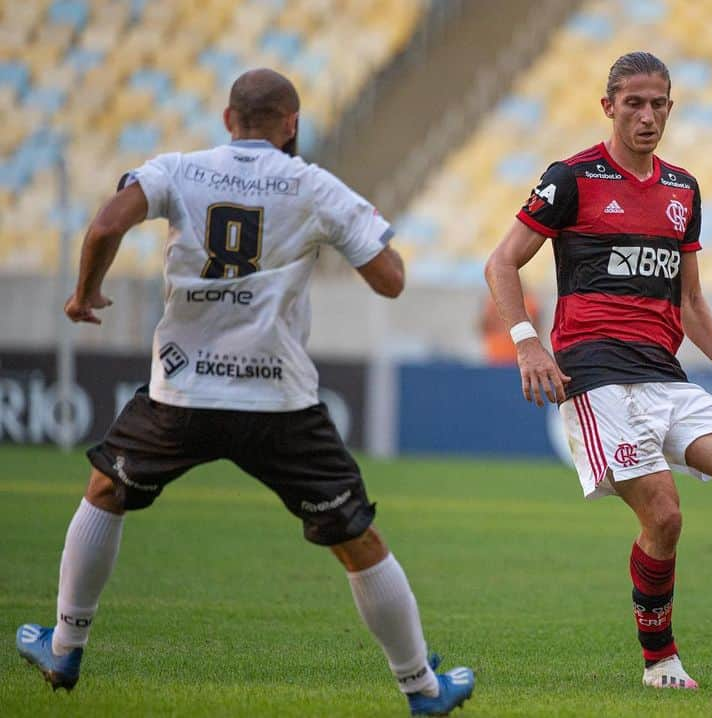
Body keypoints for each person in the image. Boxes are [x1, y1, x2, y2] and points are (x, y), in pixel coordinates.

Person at [15, 68, 474, 715]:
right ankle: (422, 690)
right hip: (277, 402)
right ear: (292, 125)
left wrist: (85, 291)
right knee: (357, 539)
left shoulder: (179, 168)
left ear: (229, 120)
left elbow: (104, 225)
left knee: (105, 489)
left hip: (182, 393)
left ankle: (64, 646)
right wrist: (331, 235)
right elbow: (391, 279)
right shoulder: (312, 184)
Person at [484, 51, 712, 689]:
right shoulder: (571, 178)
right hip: (594, 380)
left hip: (666, 379)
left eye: (658, 105)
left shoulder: (682, 189)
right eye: (634, 104)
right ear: (609, 108)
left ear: (670, 109)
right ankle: (660, 661)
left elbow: (690, 301)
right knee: (666, 516)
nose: (646, 116)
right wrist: (526, 342)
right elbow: (502, 263)